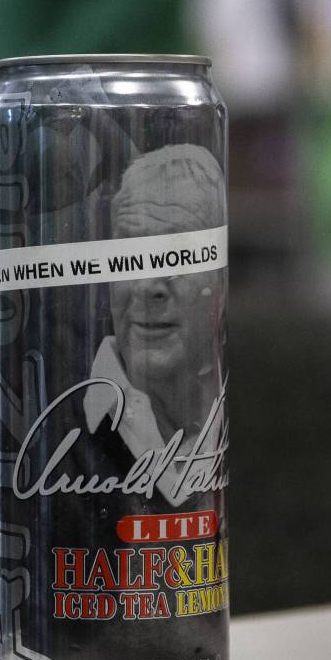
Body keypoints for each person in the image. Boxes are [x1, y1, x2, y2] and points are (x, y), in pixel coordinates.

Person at [83, 144, 226, 506]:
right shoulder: (40, 417)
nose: (147, 287)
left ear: (223, 276)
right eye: (130, 257)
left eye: (178, 254)